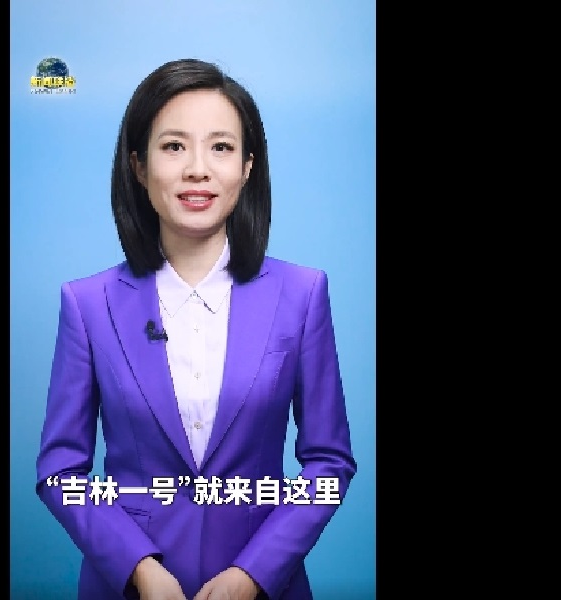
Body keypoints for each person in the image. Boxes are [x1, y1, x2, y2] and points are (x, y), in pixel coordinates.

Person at [36, 58, 357, 600]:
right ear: (139, 166)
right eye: (174, 146)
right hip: (126, 586)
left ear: (248, 167)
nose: (198, 169)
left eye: (221, 147)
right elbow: (60, 471)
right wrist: (140, 569)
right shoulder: (88, 304)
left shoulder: (303, 295)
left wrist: (252, 574)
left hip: (265, 584)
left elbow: (329, 464)